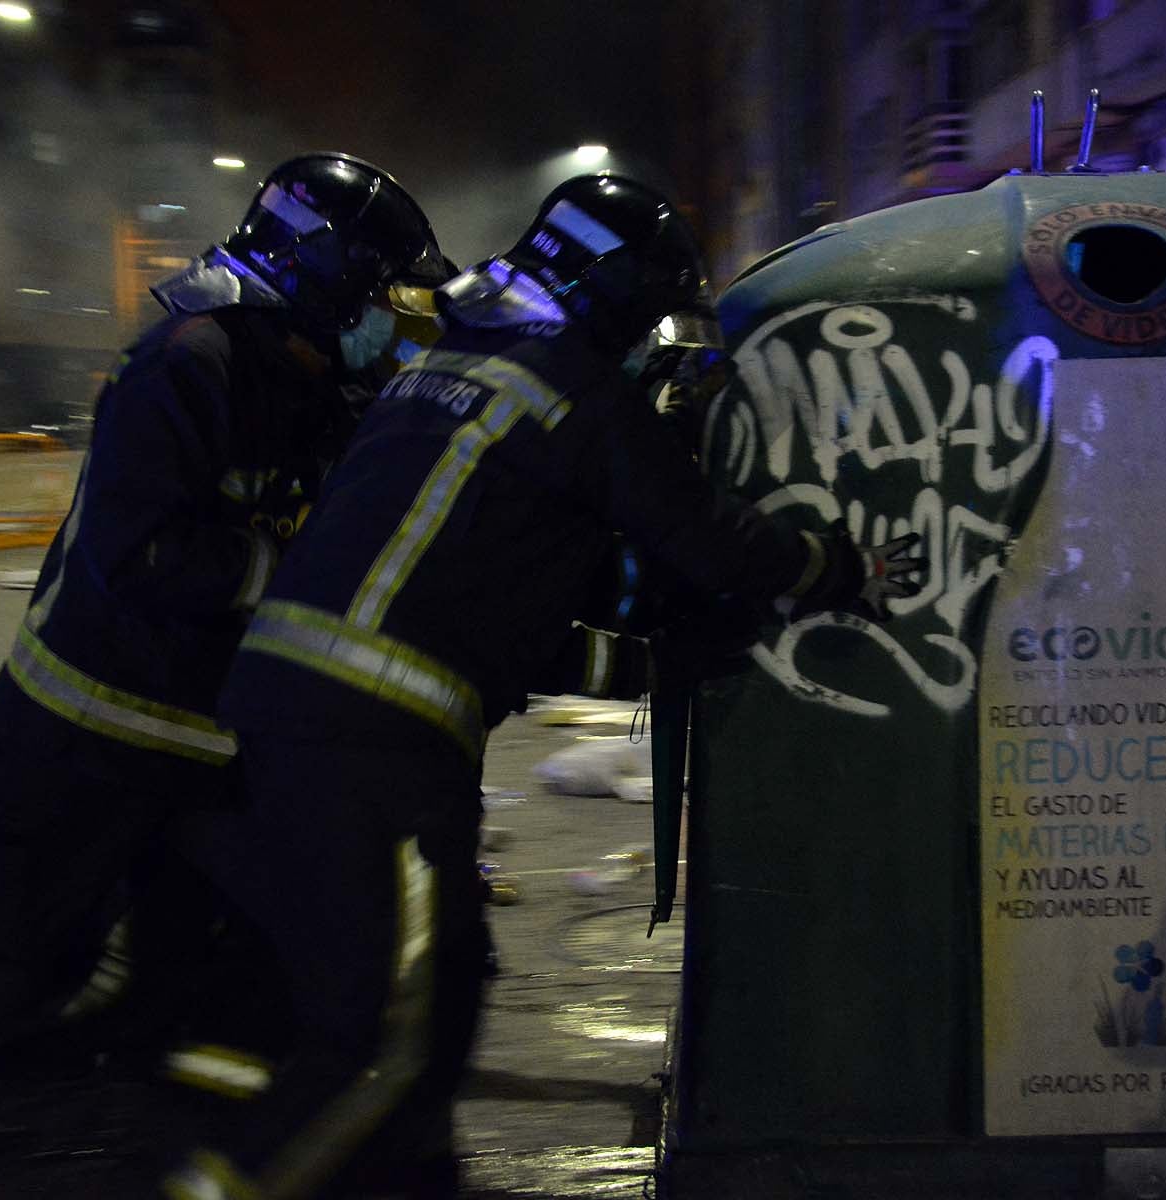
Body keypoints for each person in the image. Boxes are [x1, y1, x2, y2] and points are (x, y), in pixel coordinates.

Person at [159, 174, 922, 1199]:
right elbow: (709, 544)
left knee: (440, 989)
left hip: (281, 724)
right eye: (648, 316)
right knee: (391, 1042)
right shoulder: (575, 390)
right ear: (611, 296)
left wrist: (658, 665)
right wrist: (840, 569)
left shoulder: (447, 368)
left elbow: (496, 620)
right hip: (370, 753)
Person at [0, 152, 452, 1173]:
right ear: (322, 267)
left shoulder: (311, 375)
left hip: (200, 756)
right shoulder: (188, 359)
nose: (391, 313)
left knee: (173, 986)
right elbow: (144, 557)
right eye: (382, 286)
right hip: (80, 739)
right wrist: (304, 571)